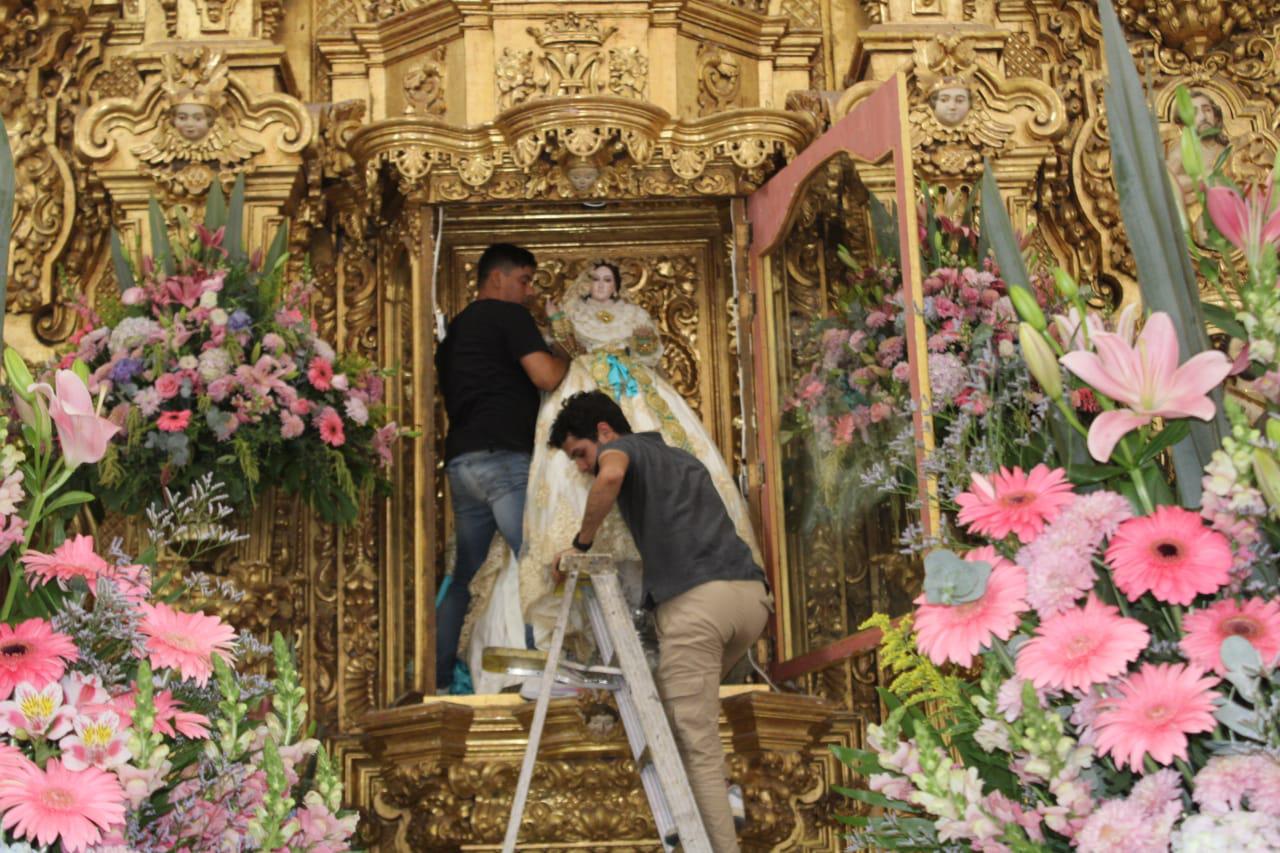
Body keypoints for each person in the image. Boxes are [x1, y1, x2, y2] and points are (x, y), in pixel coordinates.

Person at [461, 261, 760, 678]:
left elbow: (647, 355)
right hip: (584, 382)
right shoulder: (574, 314)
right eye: (596, 279)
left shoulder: (631, 326)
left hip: (634, 389)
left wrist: (640, 345)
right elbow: (564, 350)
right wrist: (560, 325)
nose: (602, 286)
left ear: (618, 286)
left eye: (608, 280)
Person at [548, 390, 770, 853]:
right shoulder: (680, 457)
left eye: (580, 454)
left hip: (697, 606)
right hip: (750, 601)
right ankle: (720, 805)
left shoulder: (622, 449)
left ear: (604, 431)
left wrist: (581, 544)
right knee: (678, 716)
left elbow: (610, 475)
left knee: (696, 746)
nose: (583, 467)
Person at [434, 243, 569, 691]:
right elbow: (547, 376)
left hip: (462, 462)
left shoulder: (455, 331)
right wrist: (568, 354)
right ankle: (540, 678)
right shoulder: (508, 316)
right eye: (524, 280)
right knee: (535, 562)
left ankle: (438, 679)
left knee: (464, 575)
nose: (529, 292)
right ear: (497, 277)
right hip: (504, 457)